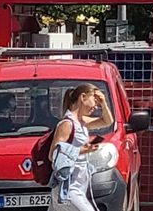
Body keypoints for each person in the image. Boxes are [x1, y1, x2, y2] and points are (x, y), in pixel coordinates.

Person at [49, 83, 113, 211]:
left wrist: (103, 103)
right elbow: (53, 154)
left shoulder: (81, 122)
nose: (96, 106)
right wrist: (81, 150)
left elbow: (108, 121)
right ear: (83, 98)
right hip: (68, 189)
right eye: (94, 100)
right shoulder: (67, 123)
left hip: (78, 188)